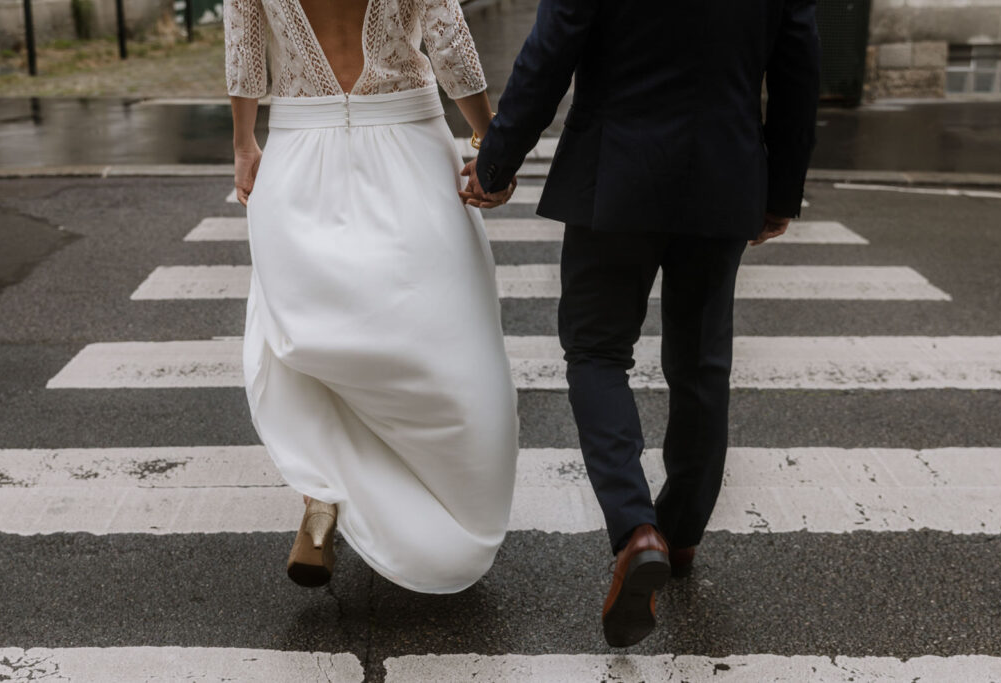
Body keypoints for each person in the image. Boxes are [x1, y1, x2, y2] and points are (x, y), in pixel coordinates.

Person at [462, 0, 820, 646]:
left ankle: (636, 529)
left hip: (616, 171)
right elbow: (798, 63)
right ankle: (678, 533)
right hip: (724, 168)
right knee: (702, 362)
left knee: (596, 352)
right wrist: (780, 190)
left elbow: (553, 46)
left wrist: (496, 161)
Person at [224, 0, 519, 593]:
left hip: (299, 151)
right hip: (407, 144)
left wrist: (244, 145)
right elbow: (449, 45)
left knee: (312, 338)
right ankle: (446, 511)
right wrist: (489, 137)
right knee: (444, 338)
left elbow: (245, 56)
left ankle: (321, 495)